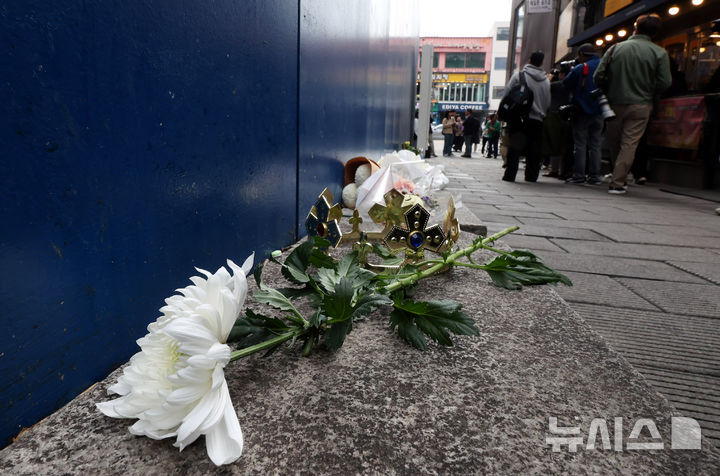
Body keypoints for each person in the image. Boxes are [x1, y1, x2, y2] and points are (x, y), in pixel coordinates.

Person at [594, 13, 671, 194]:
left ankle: (616, 174)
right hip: (641, 103)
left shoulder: (615, 48)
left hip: (613, 103)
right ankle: (618, 182)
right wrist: (649, 87)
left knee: (614, 142)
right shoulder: (659, 53)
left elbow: (598, 76)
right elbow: (665, 82)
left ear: (635, 27)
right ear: (655, 33)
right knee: (629, 143)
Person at [502, 50, 551, 182]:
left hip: (519, 118)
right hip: (537, 120)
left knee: (515, 147)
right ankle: (531, 176)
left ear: (529, 60)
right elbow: (547, 103)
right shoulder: (546, 81)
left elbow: (507, 94)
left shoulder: (519, 76)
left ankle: (510, 175)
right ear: (541, 63)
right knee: (534, 149)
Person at [563, 43, 604, 185]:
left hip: (582, 109)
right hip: (601, 109)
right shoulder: (604, 65)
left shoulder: (581, 68)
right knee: (596, 144)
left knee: (580, 144)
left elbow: (566, 84)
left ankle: (579, 176)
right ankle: (595, 176)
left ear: (581, 54)